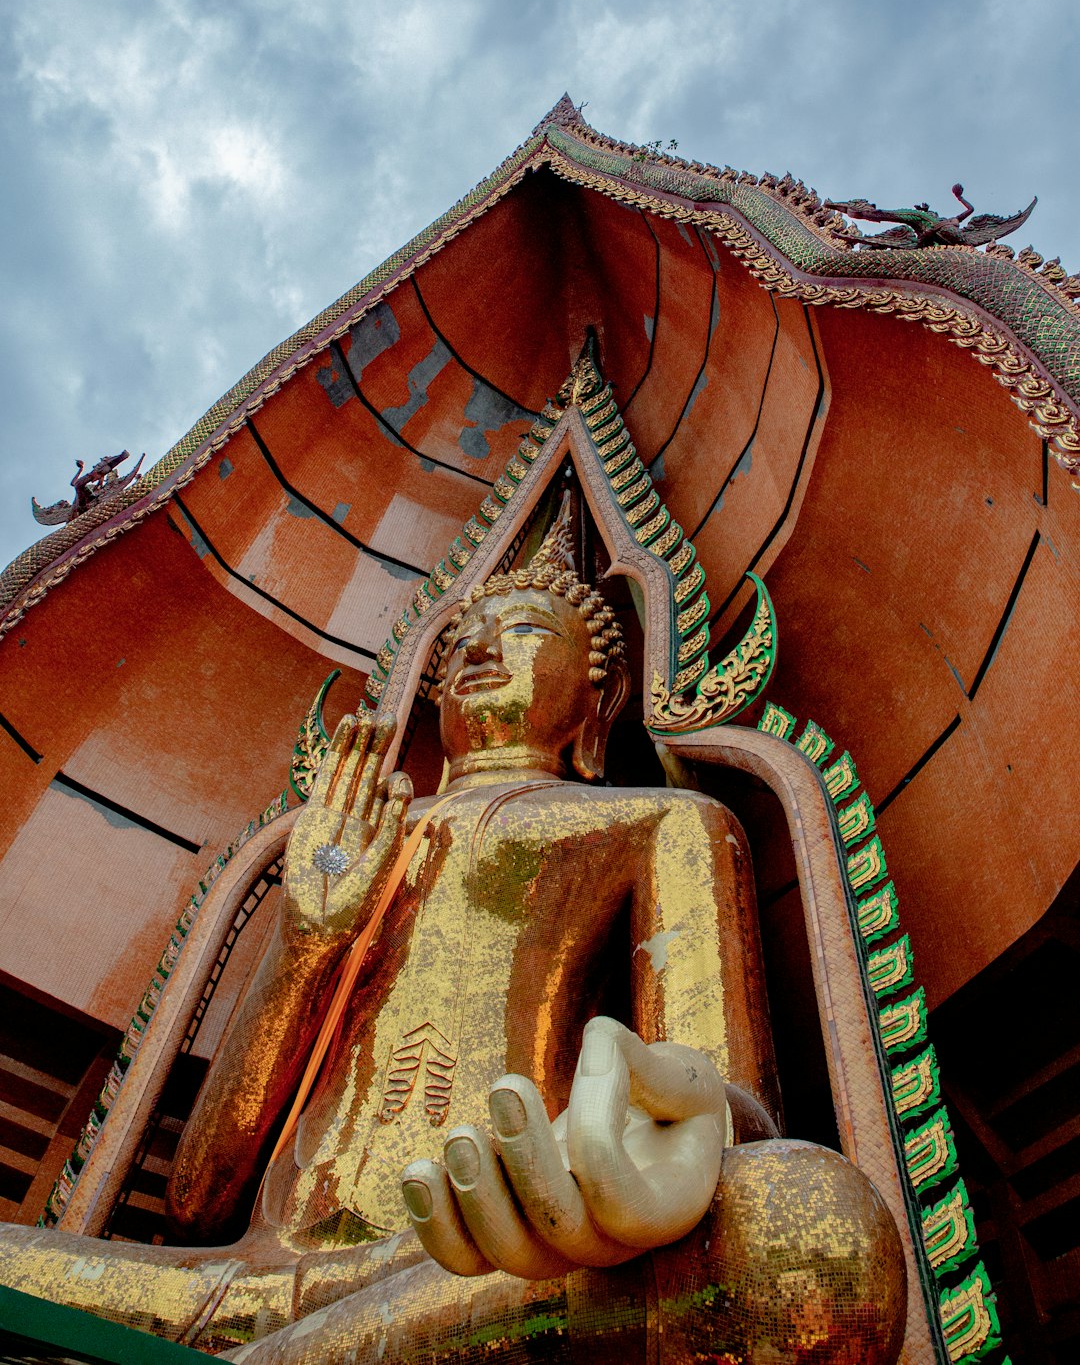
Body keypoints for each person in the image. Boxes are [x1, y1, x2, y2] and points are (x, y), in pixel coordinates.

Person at [0, 535, 906, 1362]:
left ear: (598, 696)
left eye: (517, 630)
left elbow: (729, 1120)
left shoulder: (662, 822)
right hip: (242, 1285)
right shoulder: (352, 845)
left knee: (810, 1229)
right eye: (459, 639)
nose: (475, 652)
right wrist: (306, 946)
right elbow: (195, 1197)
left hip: (490, 1273)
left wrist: (637, 1139)